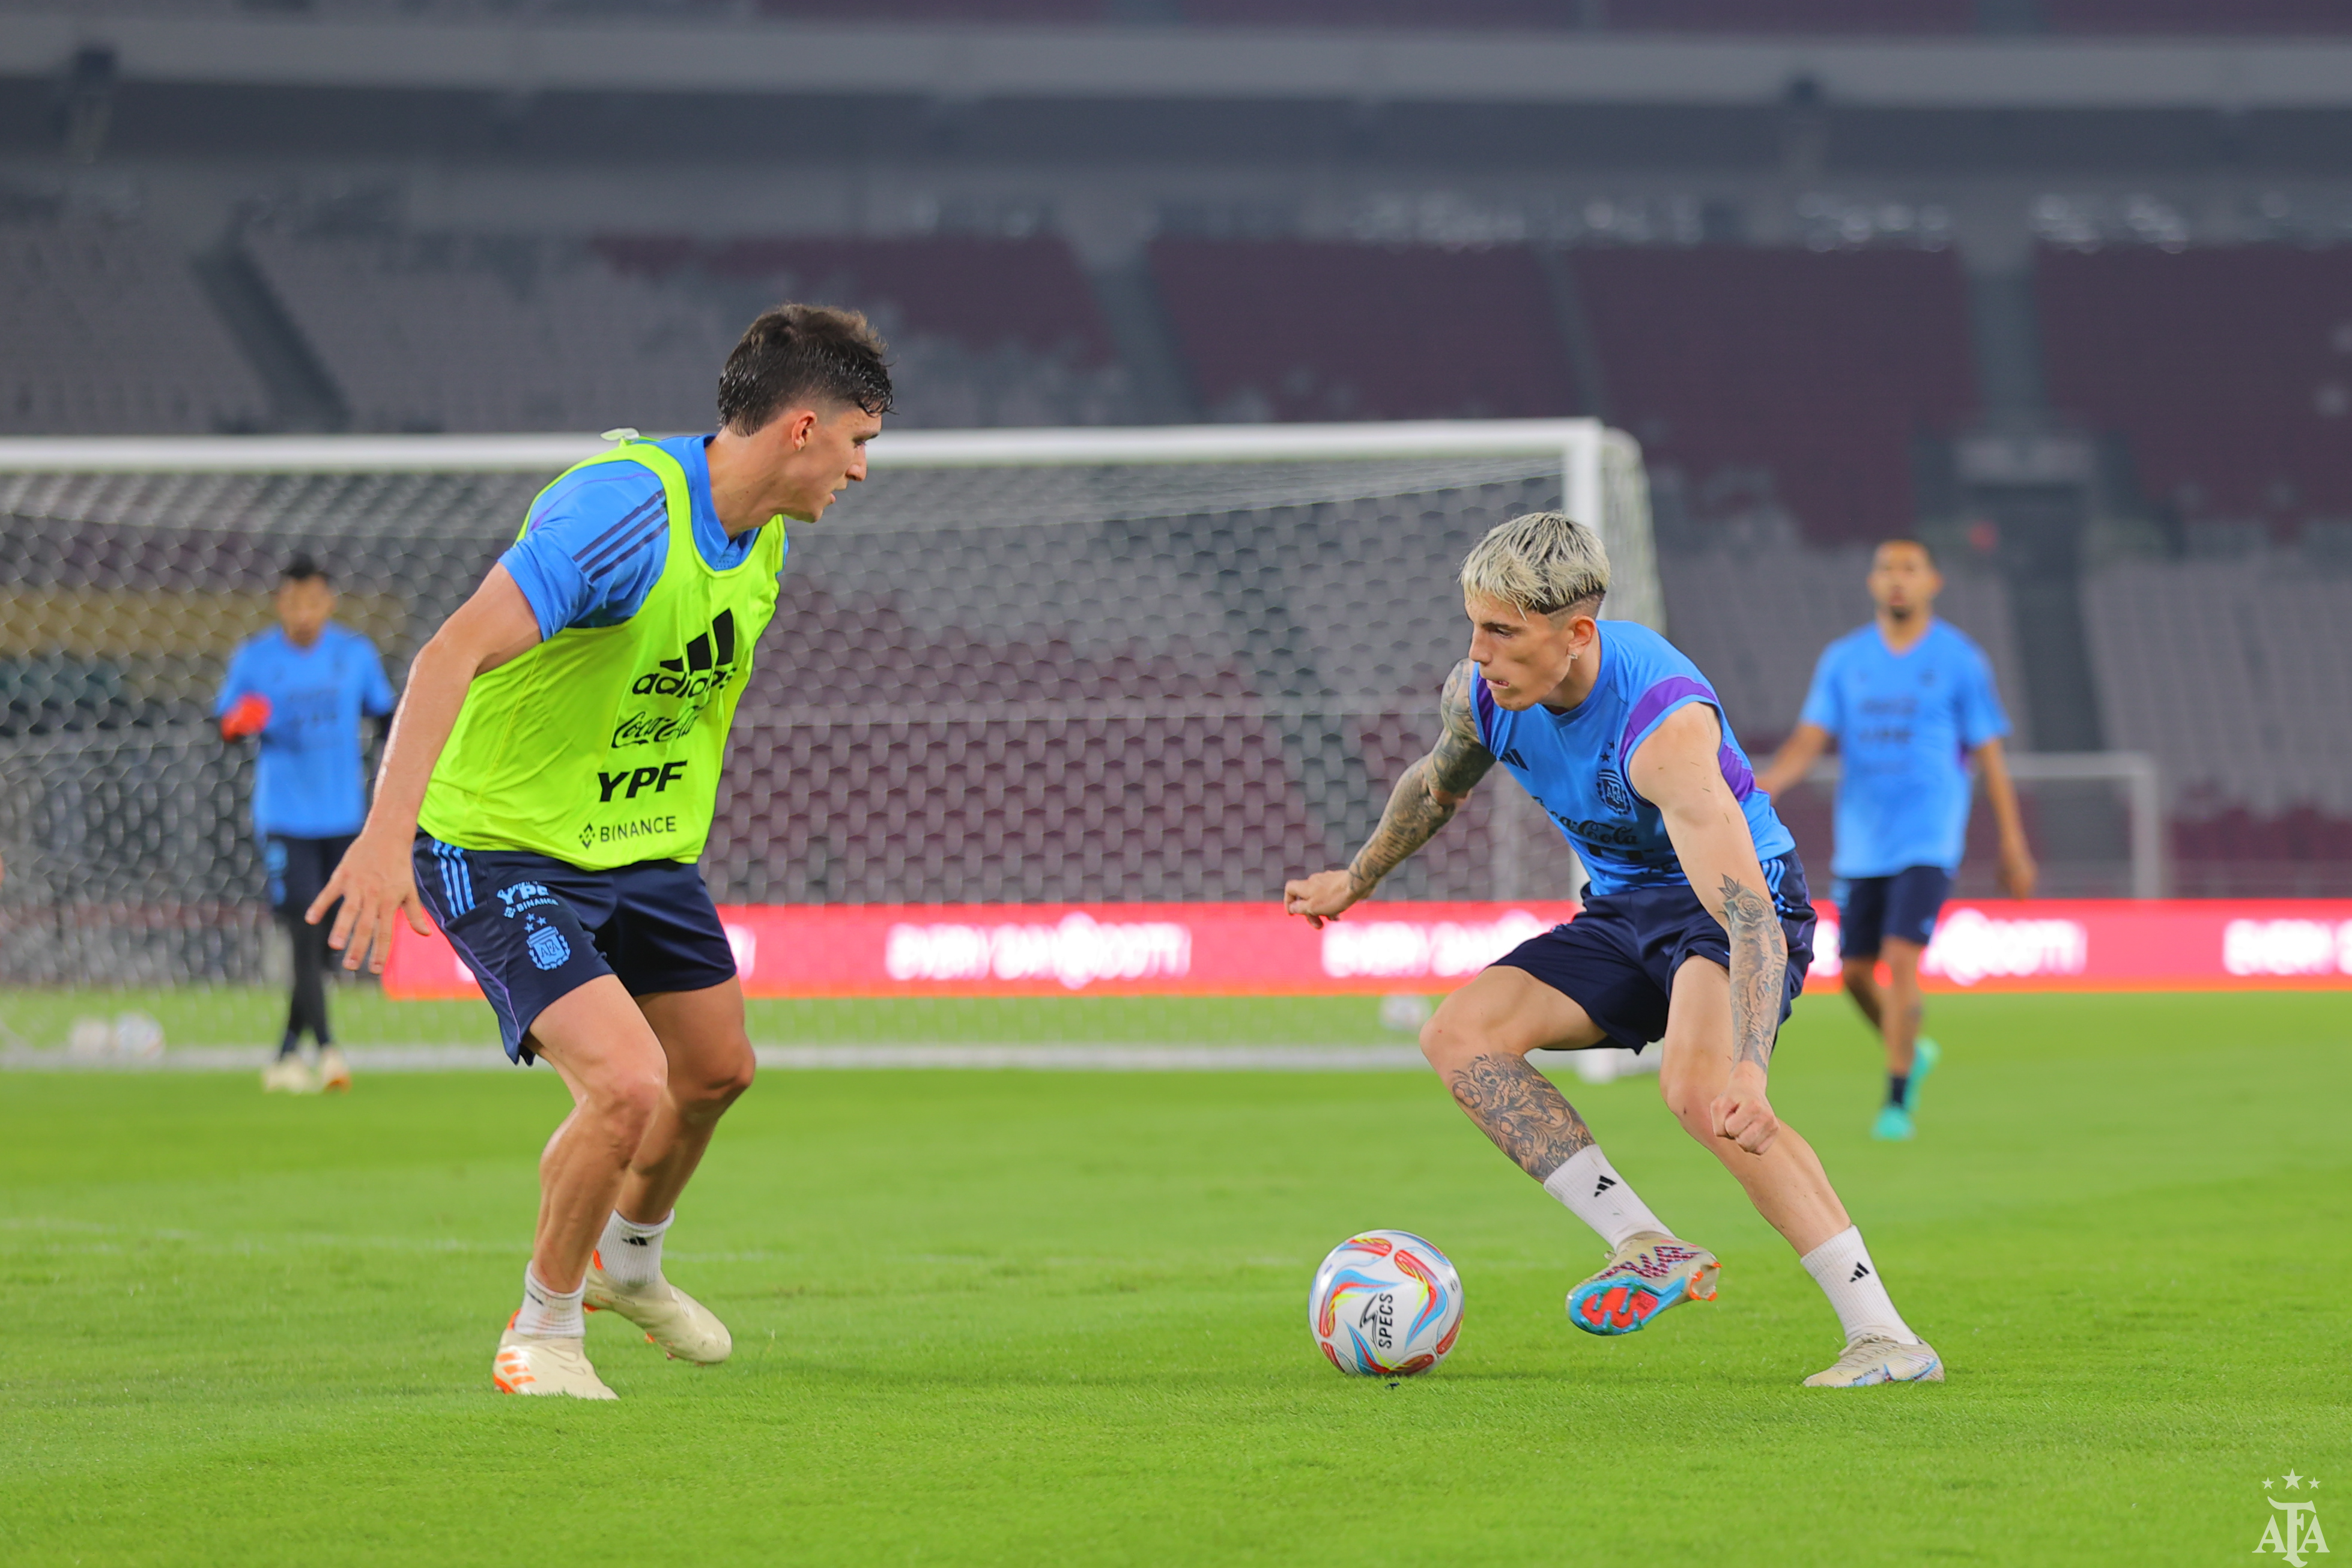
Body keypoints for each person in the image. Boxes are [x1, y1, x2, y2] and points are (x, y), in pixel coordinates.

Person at [309, 304, 893, 1400]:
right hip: (502, 846)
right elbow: (447, 654)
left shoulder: (759, 538)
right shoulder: (620, 513)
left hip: (641, 854)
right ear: (804, 427)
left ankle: (628, 1264)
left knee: (716, 1071)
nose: (863, 470)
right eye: (861, 441)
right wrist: (387, 838)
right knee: (626, 1084)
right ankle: (542, 1331)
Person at [1284, 511, 1942, 1388]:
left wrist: (1751, 1070)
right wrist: (1354, 880)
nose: (1479, 652)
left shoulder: (1663, 727)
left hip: (1734, 907)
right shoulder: (1481, 693)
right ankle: (1646, 1241)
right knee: (1458, 1035)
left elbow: (1747, 915)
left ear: (1577, 634)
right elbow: (1435, 784)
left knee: (1702, 1092)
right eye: (1476, 626)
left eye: (1502, 632)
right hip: (1624, 910)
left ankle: (1887, 1336)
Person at [1754, 539, 2035, 1142]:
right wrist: (1770, 781)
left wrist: (2013, 842)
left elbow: (1989, 754)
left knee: (1902, 960)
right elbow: (1811, 735)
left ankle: (1896, 1101)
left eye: (1909, 569)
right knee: (1854, 973)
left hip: (1928, 838)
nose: (1897, 580)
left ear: (1932, 580)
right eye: (1886, 569)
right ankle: (1910, 1042)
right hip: (1862, 841)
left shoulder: (1960, 659)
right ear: (1872, 583)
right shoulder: (1844, 659)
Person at [217, 556, 396, 1095]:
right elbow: (224, 723)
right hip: (286, 819)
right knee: (302, 925)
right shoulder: (256, 660)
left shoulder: (354, 655)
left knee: (326, 946)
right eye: (293, 602)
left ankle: (286, 1051)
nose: (303, 613)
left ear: (329, 602)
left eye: (312, 601)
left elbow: (387, 720)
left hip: (344, 817)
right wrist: (237, 724)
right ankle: (329, 1048)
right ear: (280, 604)